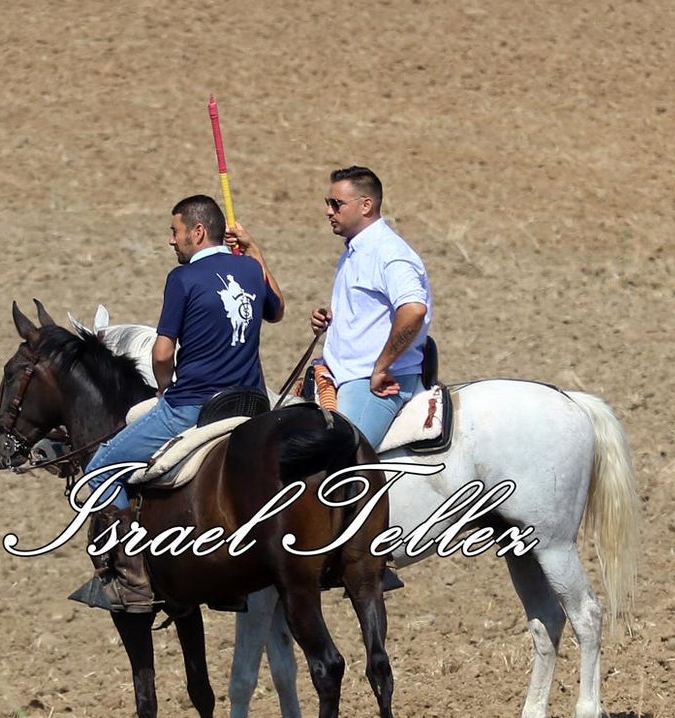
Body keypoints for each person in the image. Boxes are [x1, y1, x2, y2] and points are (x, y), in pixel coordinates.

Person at [72, 194, 284, 613]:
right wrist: (256, 253)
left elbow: (163, 353)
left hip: (194, 406)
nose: (172, 241)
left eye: (175, 231)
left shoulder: (182, 279)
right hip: (253, 404)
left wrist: (164, 389)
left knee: (99, 469)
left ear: (198, 232)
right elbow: (276, 311)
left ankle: (131, 580)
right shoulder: (249, 268)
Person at [309, 166, 432, 449]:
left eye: (336, 204)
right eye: (328, 203)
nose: (329, 211)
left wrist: (381, 366)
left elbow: (414, 309)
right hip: (344, 376)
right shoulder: (356, 251)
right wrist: (331, 320)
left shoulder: (390, 253)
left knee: (339, 465)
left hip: (374, 384)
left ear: (366, 205)